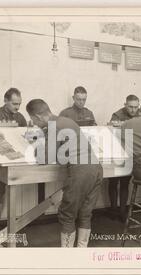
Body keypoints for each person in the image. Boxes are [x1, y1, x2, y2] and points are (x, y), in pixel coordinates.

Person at [26, 99, 103, 247]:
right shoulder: (65, 121)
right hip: (96, 168)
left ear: (38, 116)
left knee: (67, 215)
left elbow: (44, 159)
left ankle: (67, 257)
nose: (35, 124)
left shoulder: (54, 126)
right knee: (85, 214)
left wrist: (35, 143)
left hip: (81, 170)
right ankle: (80, 253)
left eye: (33, 120)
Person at [0, 88, 27, 234]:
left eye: (19, 104)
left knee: (8, 190)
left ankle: (3, 224)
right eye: (14, 103)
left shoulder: (21, 117)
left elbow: (23, 139)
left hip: (15, 158)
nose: (17, 107)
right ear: (5, 100)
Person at [108, 95, 140, 221]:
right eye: (130, 107)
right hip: (116, 152)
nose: (133, 110)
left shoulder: (140, 115)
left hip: (130, 153)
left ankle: (122, 212)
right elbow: (110, 132)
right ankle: (113, 210)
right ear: (125, 104)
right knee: (113, 182)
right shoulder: (116, 115)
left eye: (136, 107)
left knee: (125, 183)